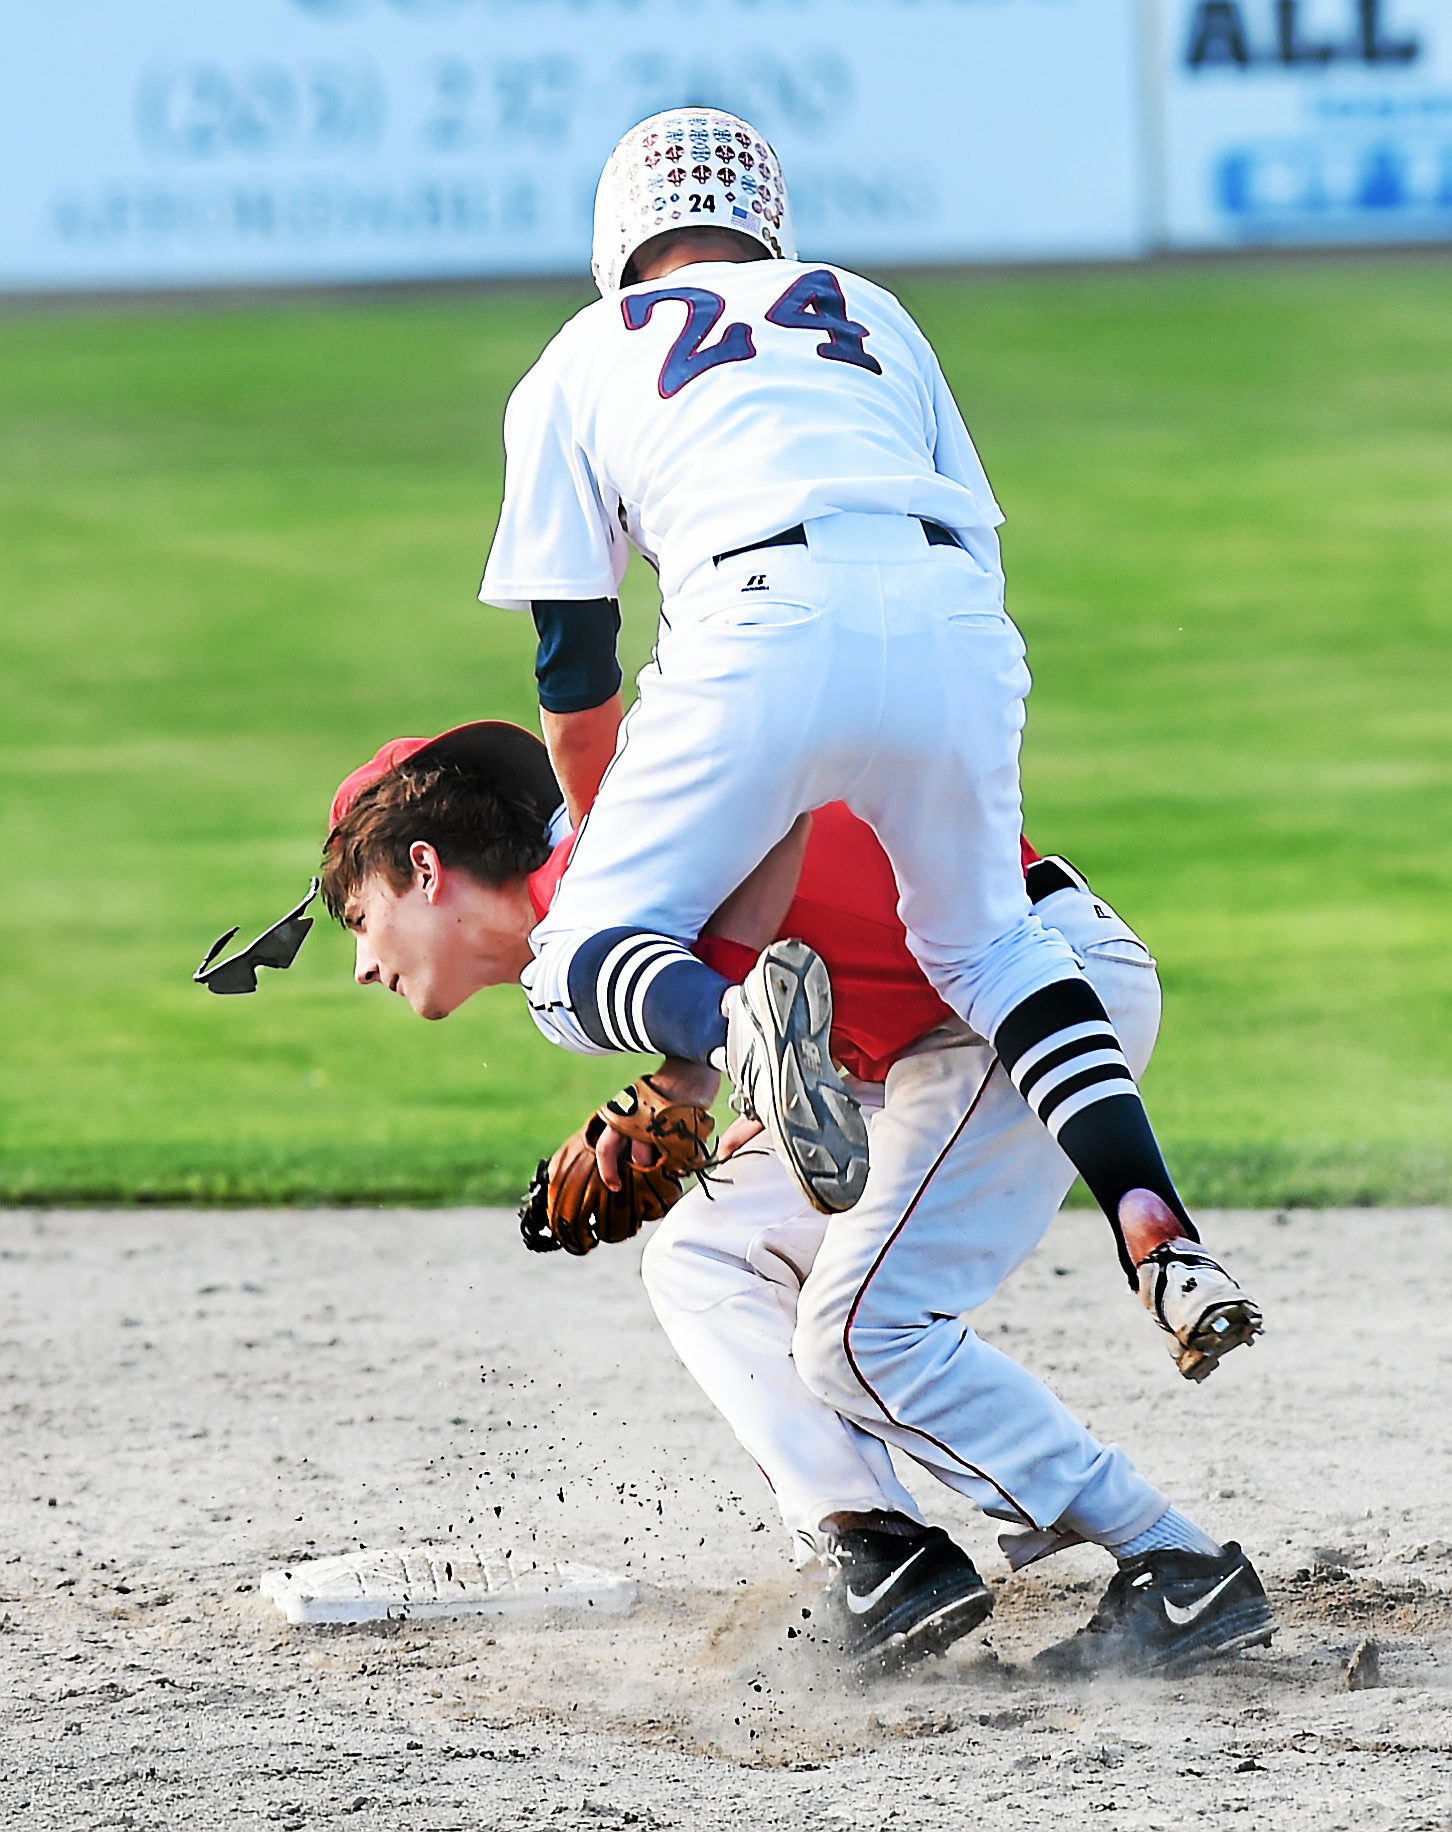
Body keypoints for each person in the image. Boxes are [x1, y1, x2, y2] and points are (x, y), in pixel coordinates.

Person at [321, 721, 1273, 1676]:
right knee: (704, 1253)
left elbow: (769, 850)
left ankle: (1173, 1558)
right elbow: (760, 949)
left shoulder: (600, 880)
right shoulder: (594, 883)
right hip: (907, 1045)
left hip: (1022, 997)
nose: (363, 964)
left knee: (864, 1332)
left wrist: (710, 1072)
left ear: (427, 868)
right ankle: (877, 1552)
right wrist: (723, 1077)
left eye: (360, 917)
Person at [477, 103, 1218, 1295]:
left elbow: (575, 678)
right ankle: (1159, 1227)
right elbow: (975, 540)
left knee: (571, 965)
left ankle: (734, 1035)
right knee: (988, 945)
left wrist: (650, 909)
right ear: (770, 227)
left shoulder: (579, 352)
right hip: (953, 619)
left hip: (751, 613)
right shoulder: (869, 306)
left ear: (616, 238)